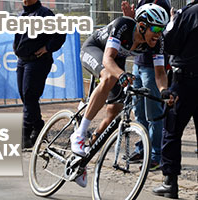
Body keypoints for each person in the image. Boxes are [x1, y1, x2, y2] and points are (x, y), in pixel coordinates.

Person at [71, 3, 172, 187]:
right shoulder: (123, 25)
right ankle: (79, 134)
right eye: (156, 28)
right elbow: (107, 59)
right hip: (95, 50)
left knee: (114, 112)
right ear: (142, 26)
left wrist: (165, 91)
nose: (159, 33)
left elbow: (160, 74)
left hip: (116, 59)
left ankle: (83, 159)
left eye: (162, 29)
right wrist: (121, 74)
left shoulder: (158, 42)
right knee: (109, 76)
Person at [152, 0, 198, 198]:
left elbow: (169, 43)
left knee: (172, 130)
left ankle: (170, 182)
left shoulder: (189, 13)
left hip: (184, 81)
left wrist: (172, 21)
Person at [121, 0, 171, 171]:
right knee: (139, 112)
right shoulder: (142, 2)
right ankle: (142, 149)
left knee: (153, 115)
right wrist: (129, 19)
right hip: (138, 63)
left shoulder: (160, 3)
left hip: (152, 67)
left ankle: (156, 155)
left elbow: (155, 31)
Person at [13, 0, 66, 149]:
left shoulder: (45, 14)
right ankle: (39, 127)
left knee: (30, 95)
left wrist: (48, 48)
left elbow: (60, 33)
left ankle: (25, 133)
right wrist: (16, 47)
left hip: (37, 61)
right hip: (22, 60)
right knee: (25, 97)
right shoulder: (21, 15)